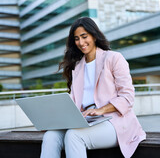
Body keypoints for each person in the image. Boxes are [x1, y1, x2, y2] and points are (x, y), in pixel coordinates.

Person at [40, 17, 146, 158]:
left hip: (114, 122)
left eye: (84, 37)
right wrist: (55, 120)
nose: (81, 42)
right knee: (51, 136)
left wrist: (100, 110)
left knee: (74, 135)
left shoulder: (114, 58)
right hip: (86, 121)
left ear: (94, 35)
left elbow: (127, 97)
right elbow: (74, 101)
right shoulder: (77, 66)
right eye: (77, 38)